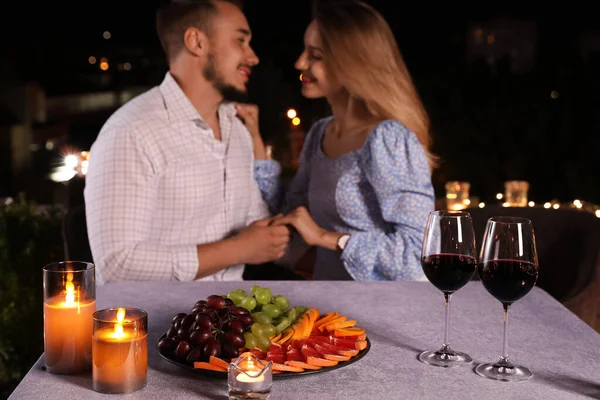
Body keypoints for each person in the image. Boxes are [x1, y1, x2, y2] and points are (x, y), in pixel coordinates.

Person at [84, 0, 290, 284]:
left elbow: (259, 231)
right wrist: (238, 249)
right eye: (241, 40)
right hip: (162, 324)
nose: (252, 57)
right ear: (196, 42)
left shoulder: (237, 129)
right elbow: (117, 265)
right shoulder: (132, 132)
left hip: (236, 318)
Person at [242, 0, 436, 281]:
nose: (300, 63)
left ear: (354, 64)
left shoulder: (387, 139)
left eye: (316, 55)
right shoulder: (320, 133)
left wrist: (326, 238)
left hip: (384, 313)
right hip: (330, 307)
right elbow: (290, 213)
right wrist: (256, 141)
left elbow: (419, 255)